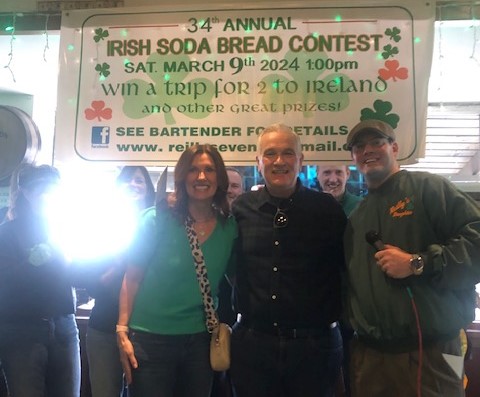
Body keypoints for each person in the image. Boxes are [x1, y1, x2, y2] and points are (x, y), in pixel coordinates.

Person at [344, 119, 480, 397]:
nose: (367, 150)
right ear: (353, 157)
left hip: (434, 353)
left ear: (394, 147)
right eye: (359, 146)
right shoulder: (356, 216)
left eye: (376, 142)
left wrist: (419, 263)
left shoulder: (428, 188)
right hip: (371, 359)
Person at [230, 123, 347, 397]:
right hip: (252, 345)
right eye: (270, 153)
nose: (279, 161)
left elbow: (349, 267)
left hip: (315, 348)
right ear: (258, 162)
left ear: (301, 160)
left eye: (288, 153)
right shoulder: (241, 208)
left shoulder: (327, 209)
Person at [117, 144, 237, 397]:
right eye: (193, 170)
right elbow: (132, 277)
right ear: (182, 176)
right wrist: (122, 330)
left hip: (201, 342)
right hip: (151, 341)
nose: (201, 177)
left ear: (220, 177)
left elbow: (237, 276)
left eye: (209, 169)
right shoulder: (155, 219)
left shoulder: (230, 227)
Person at [0, 164, 81, 397]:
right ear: (26, 192)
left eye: (54, 189)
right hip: (21, 330)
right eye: (42, 188)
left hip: (65, 326)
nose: (49, 194)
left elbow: (77, 275)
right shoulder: (7, 232)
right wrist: (37, 260)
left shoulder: (64, 228)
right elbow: (6, 282)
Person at [77, 166, 155, 397]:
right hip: (105, 327)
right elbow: (89, 281)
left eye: (139, 180)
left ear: (148, 189)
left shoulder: (159, 226)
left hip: (149, 330)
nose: (133, 184)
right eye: (128, 180)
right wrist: (121, 262)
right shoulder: (102, 227)